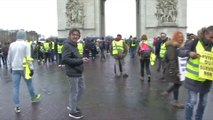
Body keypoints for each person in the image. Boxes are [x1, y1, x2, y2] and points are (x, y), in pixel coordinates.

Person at [179, 26, 213, 120]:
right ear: (205, 34)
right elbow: (180, 52)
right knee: (192, 102)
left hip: (206, 80)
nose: (212, 40)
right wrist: (189, 53)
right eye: (211, 37)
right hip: (193, 79)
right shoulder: (194, 42)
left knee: (203, 103)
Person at [7, 30, 41, 113]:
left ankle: (17, 106)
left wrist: (9, 67)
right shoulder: (26, 44)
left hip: (15, 68)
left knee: (15, 87)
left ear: (17, 36)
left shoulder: (12, 45)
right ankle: (33, 98)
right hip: (25, 68)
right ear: (24, 36)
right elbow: (28, 58)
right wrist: (32, 68)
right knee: (29, 84)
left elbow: (9, 57)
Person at [62, 28, 89, 119]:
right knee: (74, 92)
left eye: (77, 35)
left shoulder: (74, 45)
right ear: (70, 35)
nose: (75, 36)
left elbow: (75, 57)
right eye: (74, 34)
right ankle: (72, 112)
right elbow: (65, 59)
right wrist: (80, 60)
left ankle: (71, 105)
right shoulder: (67, 45)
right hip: (72, 72)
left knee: (82, 89)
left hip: (79, 71)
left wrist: (82, 59)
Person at [160, 31, 184, 109]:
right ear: (175, 37)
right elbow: (172, 60)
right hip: (174, 68)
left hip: (178, 68)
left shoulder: (178, 46)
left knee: (178, 83)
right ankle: (175, 101)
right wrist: (176, 71)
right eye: (179, 36)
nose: (181, 38)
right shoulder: (172, 46)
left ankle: (167, 92)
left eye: (182, 36)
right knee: (177, 83)